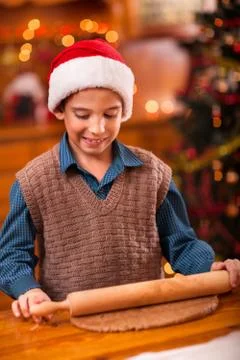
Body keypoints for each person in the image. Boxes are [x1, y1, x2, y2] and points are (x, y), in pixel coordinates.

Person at [0, 39, 239, 324]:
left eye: (110, 115)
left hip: (151, 318)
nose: (98, 128)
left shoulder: (153, 173)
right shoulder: (33, 182)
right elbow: (12, 257)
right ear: (60, 109)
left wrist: (208, 268)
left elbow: (181, 245)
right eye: (82, 115)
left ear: (123, 111)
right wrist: (29, 291)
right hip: (69, 327)